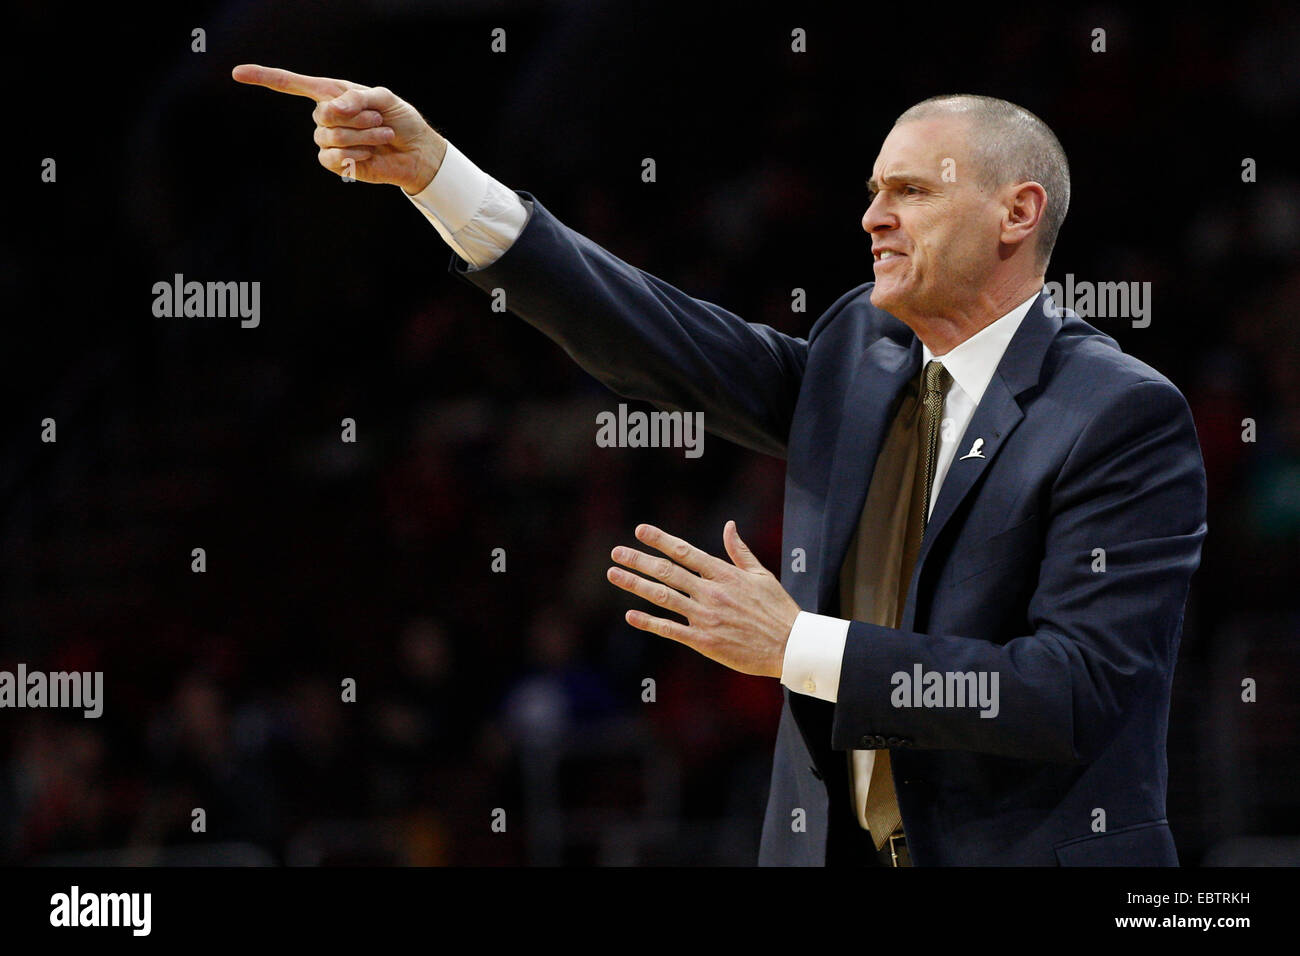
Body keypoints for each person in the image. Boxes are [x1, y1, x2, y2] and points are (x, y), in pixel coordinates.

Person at [232, 65, 1208, 866]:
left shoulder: (1117, 414)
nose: (873, 216)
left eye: (910, 189)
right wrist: (437, 176)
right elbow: (660, 337)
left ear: (1015, 212)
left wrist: (800, 648)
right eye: (872, 190)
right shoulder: (855, 357)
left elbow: (1064, 693)